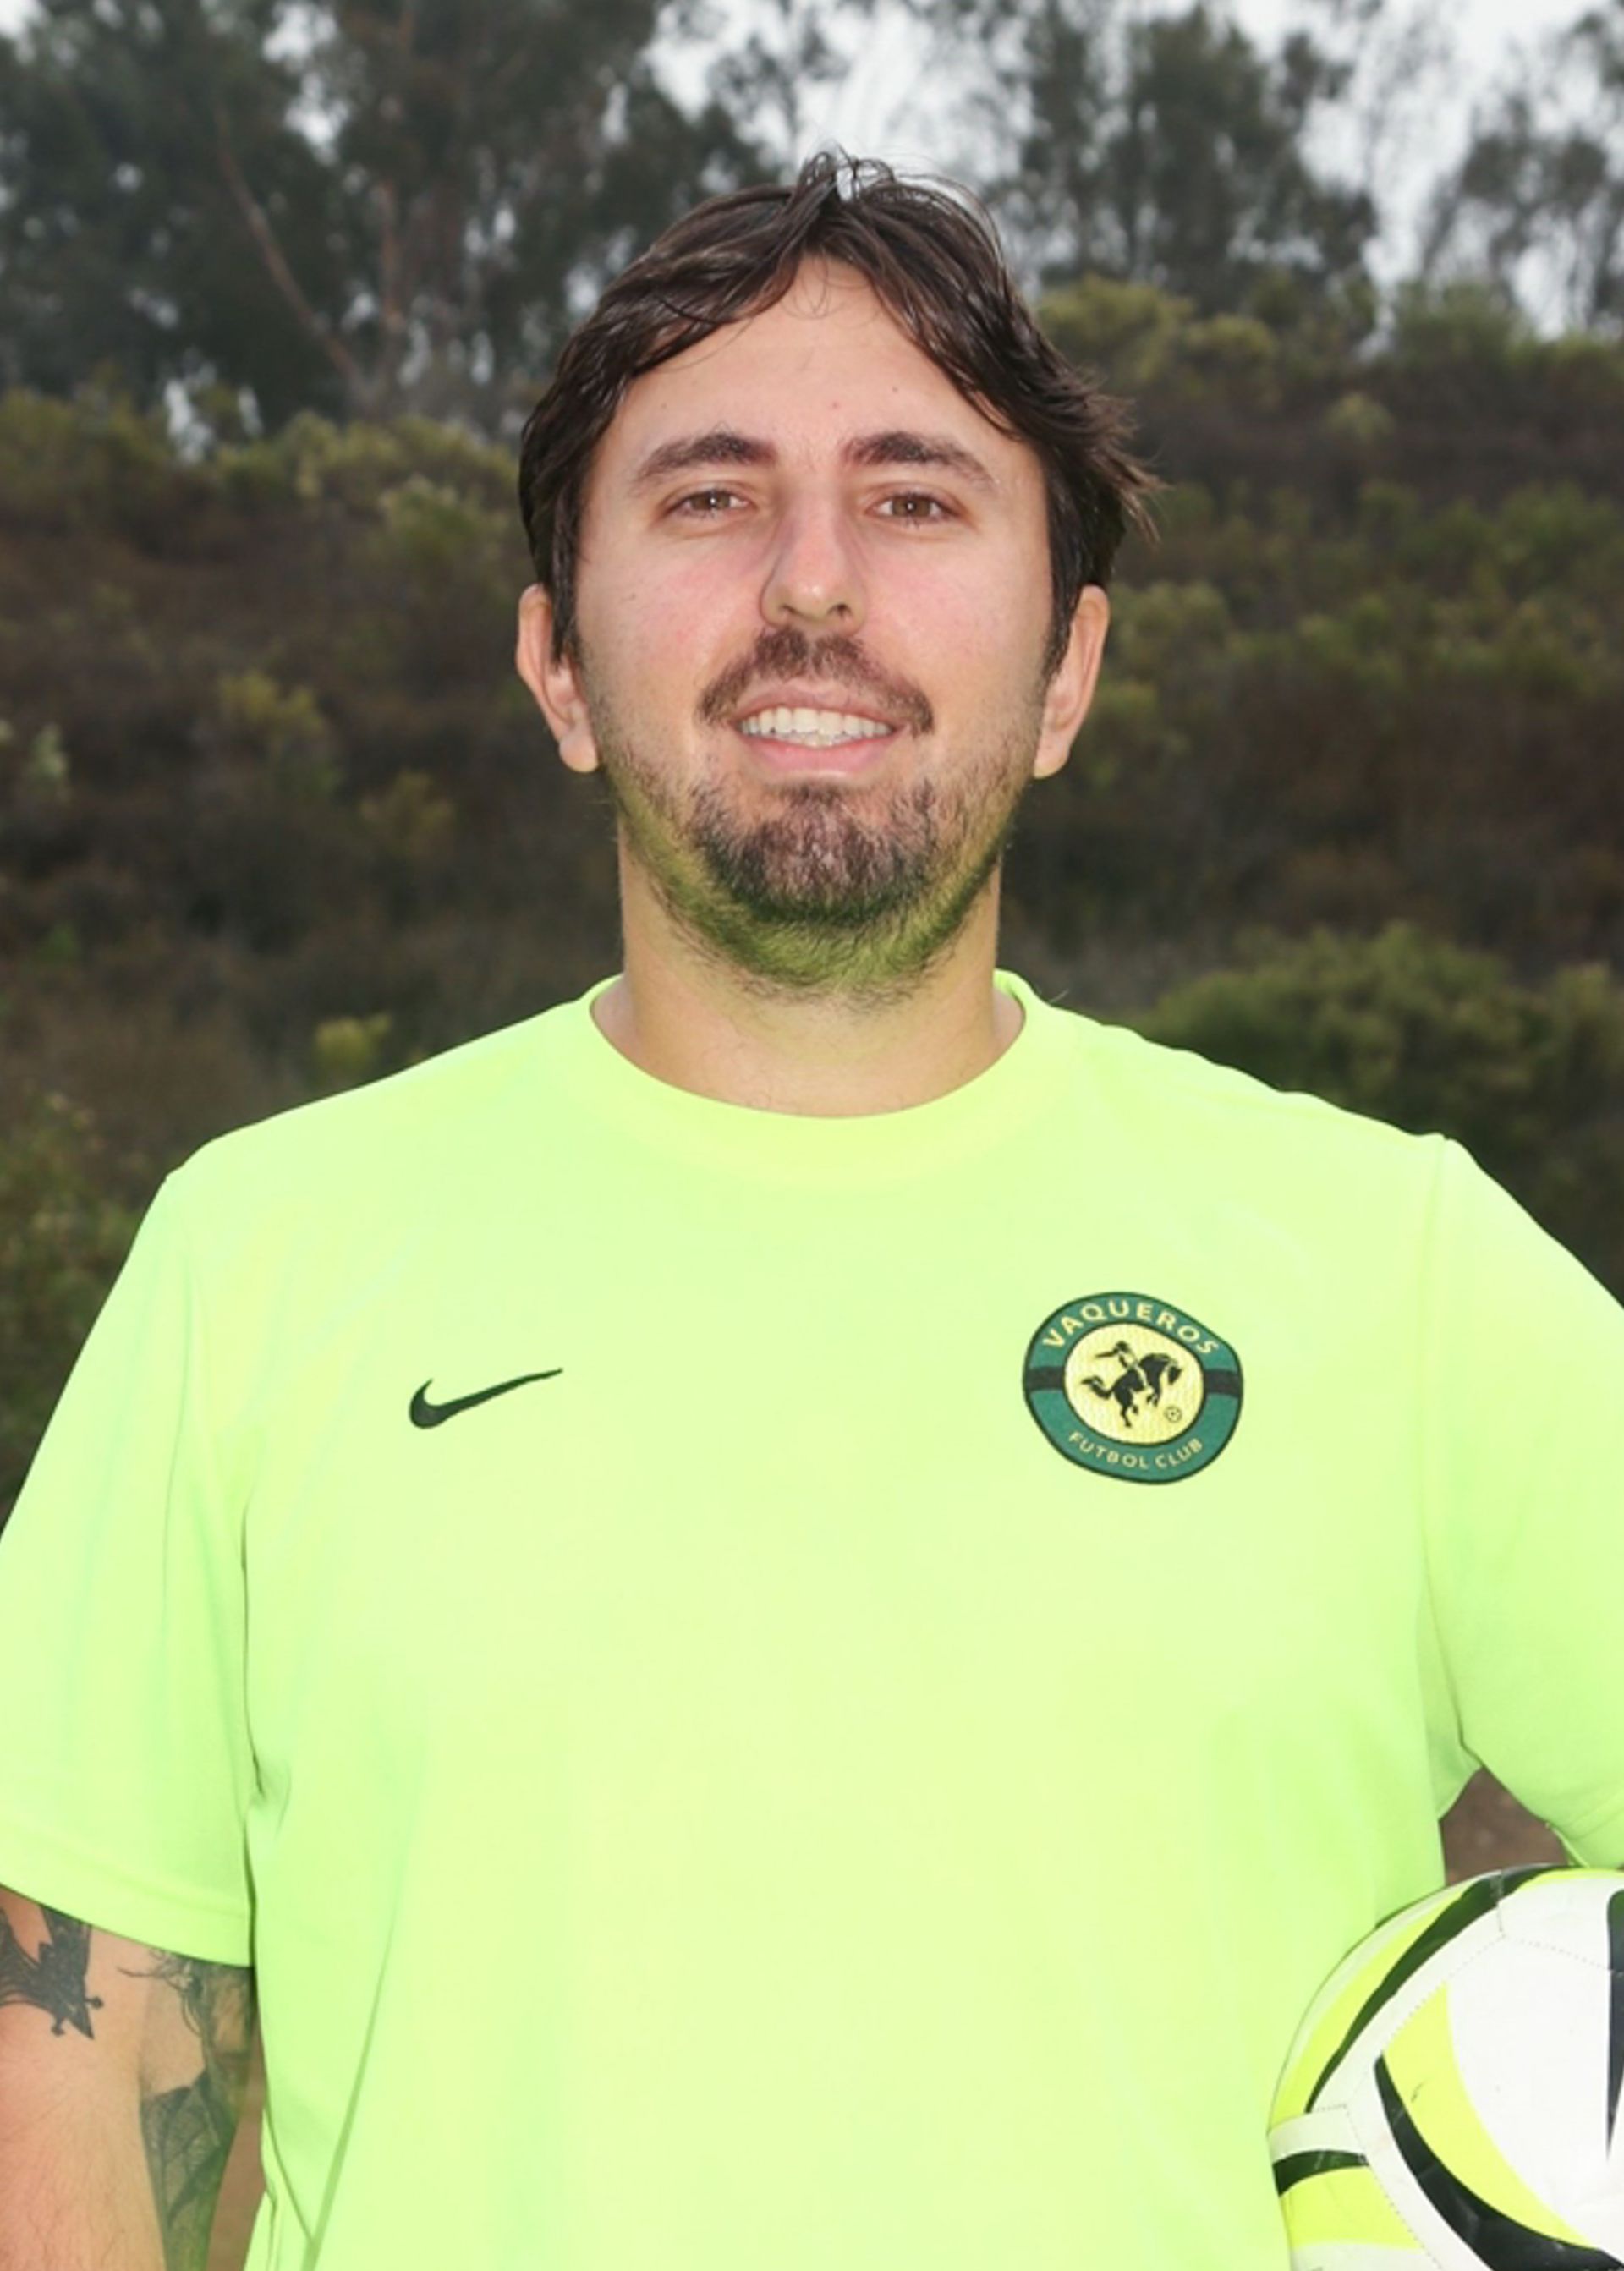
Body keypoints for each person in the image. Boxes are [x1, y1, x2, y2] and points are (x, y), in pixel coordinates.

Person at [0, 145, 1620, 2271]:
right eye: (709, 495)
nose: (815, 582)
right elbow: (81, 2061)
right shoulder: (259, 1263)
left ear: (1068, 669)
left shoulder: (1397, 1270)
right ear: (558, 667)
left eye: (917, 498)